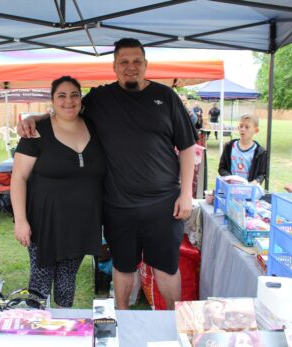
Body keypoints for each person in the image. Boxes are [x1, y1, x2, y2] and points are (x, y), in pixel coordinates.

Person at [18, 38, 196, 309]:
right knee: (123, 266)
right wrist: (35, 118)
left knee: (166, 267)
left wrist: (186, 193)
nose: (130, 67)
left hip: (164, 203)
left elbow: (187, 147)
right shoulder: (101, 98)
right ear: (114, 66)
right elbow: (67, 108)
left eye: (137, 61)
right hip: (118, 205)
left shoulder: (166, 97)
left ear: (146, 65)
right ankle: (122, 321)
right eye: (124, 62)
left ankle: (175, 324)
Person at [10, 76, 105, 307]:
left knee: (67, 279)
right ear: (52, 100)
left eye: (74, 95)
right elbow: (18, 178)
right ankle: (35, 330)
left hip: (81, 221)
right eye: (61, 96)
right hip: (45, 222)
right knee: (41, 280)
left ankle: (64, 330)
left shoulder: (94, 125)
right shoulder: (36, 132)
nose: (68, 101)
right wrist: (20, 221)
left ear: (81, 98)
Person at [218, 114, 267, 185]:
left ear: (256, 130)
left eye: (247, 127)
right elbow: (222, 168)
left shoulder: (260, 152)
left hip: (249, 192)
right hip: (231, 189)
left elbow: (261, 174)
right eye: (241, 126)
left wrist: (254, 182)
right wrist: (230, 178)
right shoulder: (229, 146)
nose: (243, 129)